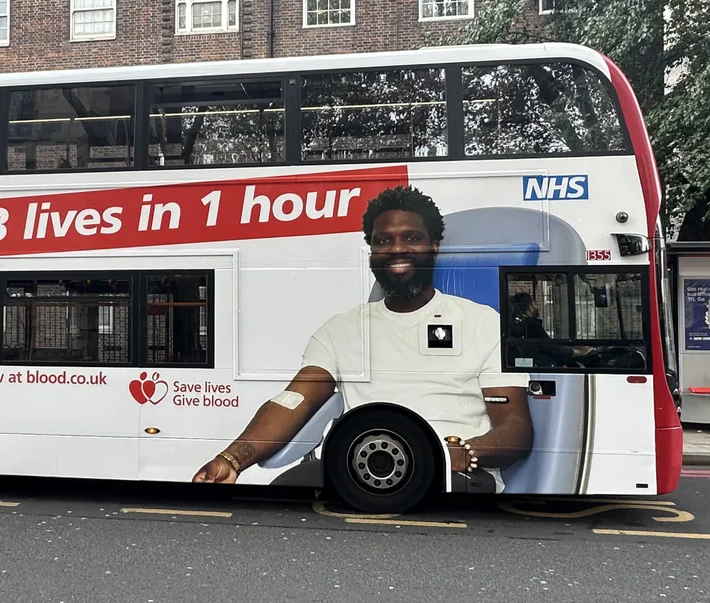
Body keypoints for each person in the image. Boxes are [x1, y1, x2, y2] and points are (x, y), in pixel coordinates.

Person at [192, 185, 534, 493]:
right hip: (359, 471)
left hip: (451, 474)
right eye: (383, 241)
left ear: (433, 246)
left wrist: (464, 452)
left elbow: (515, 426)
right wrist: (232, 459)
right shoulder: (341, 330)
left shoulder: (482, 323)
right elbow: (293, 402)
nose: (396, 249)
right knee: (287, 492)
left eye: (411, 237)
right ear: (371, 251)